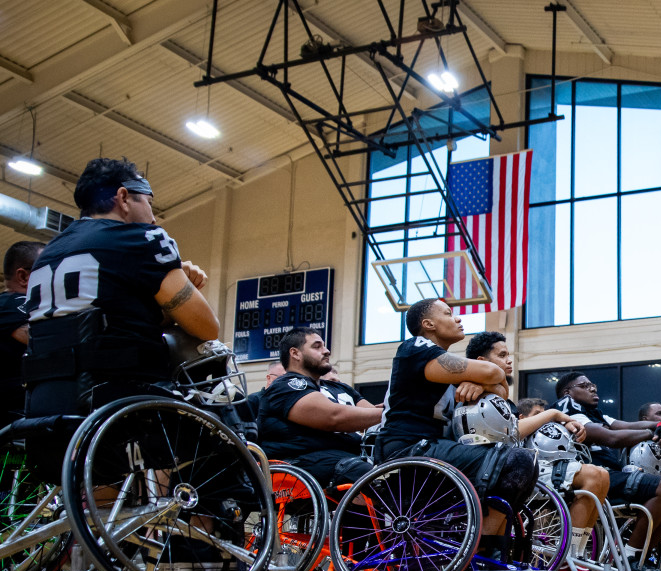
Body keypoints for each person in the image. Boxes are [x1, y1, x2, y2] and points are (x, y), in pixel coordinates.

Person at [22, 157, 217, 417]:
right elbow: (207, 327)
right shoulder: (143, 239)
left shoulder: (47, 253)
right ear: (123, 197)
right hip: (115, 398)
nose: (153, 218)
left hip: (43, 405)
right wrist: (184, 284)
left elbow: (111, 321)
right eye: (149, 203)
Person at [375, 299, 538, 535]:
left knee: (520, 461)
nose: (458, 319)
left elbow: (502, 392)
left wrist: (481, 384)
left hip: (431, 446)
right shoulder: (416, 348)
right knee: (518, 461)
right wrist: (486, 379)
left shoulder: (442, 363)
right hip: (406, 446)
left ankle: (488, 544)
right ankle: (485, 544)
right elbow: (494, 372)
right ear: (428, 324)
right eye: (449, 313)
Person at [465, 331, 611, 541]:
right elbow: (509, 433)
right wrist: (553, 414)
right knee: (594, 475)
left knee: (601, 474)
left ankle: (577, 551)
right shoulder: (472, 393)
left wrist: (562, 422)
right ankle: (570, 552)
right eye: (502, 355)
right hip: (499, 471)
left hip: (516, 467)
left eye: (508, 355)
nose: (509, 360)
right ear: (482, 361)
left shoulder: (499, 396)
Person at [556, 371, 661, 570]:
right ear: (568, 392)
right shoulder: (567, 407)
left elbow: (626, 425)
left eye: (593, 385)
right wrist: (651, 433)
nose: (592, 388)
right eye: (584, 386)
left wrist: (659, 425)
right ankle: (628, 556)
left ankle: (640, 555)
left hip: (612, 474)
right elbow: (612, 438)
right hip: (591, 475)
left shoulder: (595, 412)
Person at [257, 328, 379, 487]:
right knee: (361, 471)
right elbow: (334, 417)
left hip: (346, 458)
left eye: (324, 346)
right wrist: (389, 413)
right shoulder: (287, 385)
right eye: (317, 346)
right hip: (300, 464)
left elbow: (372, 416)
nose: (327, 351)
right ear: (295, 353)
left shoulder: (341, 388)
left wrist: (396, 411)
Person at [0, 241, 40, 424]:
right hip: (13, 417)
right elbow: (47, 341)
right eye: (46, 269)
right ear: (23, 276)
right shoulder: (11, 304)